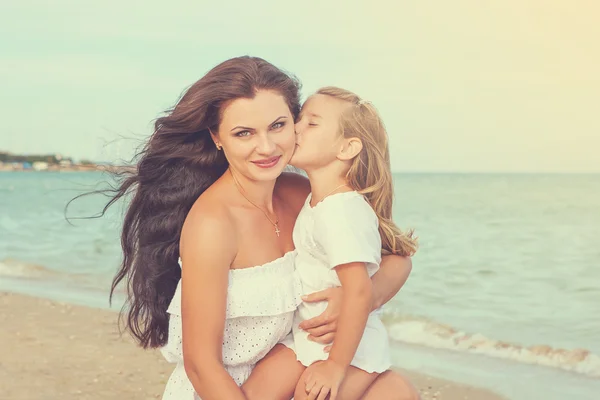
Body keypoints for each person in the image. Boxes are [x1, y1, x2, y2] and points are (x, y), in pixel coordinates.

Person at [107, 56, 417, 400]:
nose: (267, 147)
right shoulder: (214, 223)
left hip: (298, 364)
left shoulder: (306, 195)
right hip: (228, 389)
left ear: (296, 125)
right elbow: (201, 365)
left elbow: (398, 258)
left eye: (278, 126)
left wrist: (359, 298)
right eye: (244, 133)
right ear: (217, 138)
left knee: (395, 390)